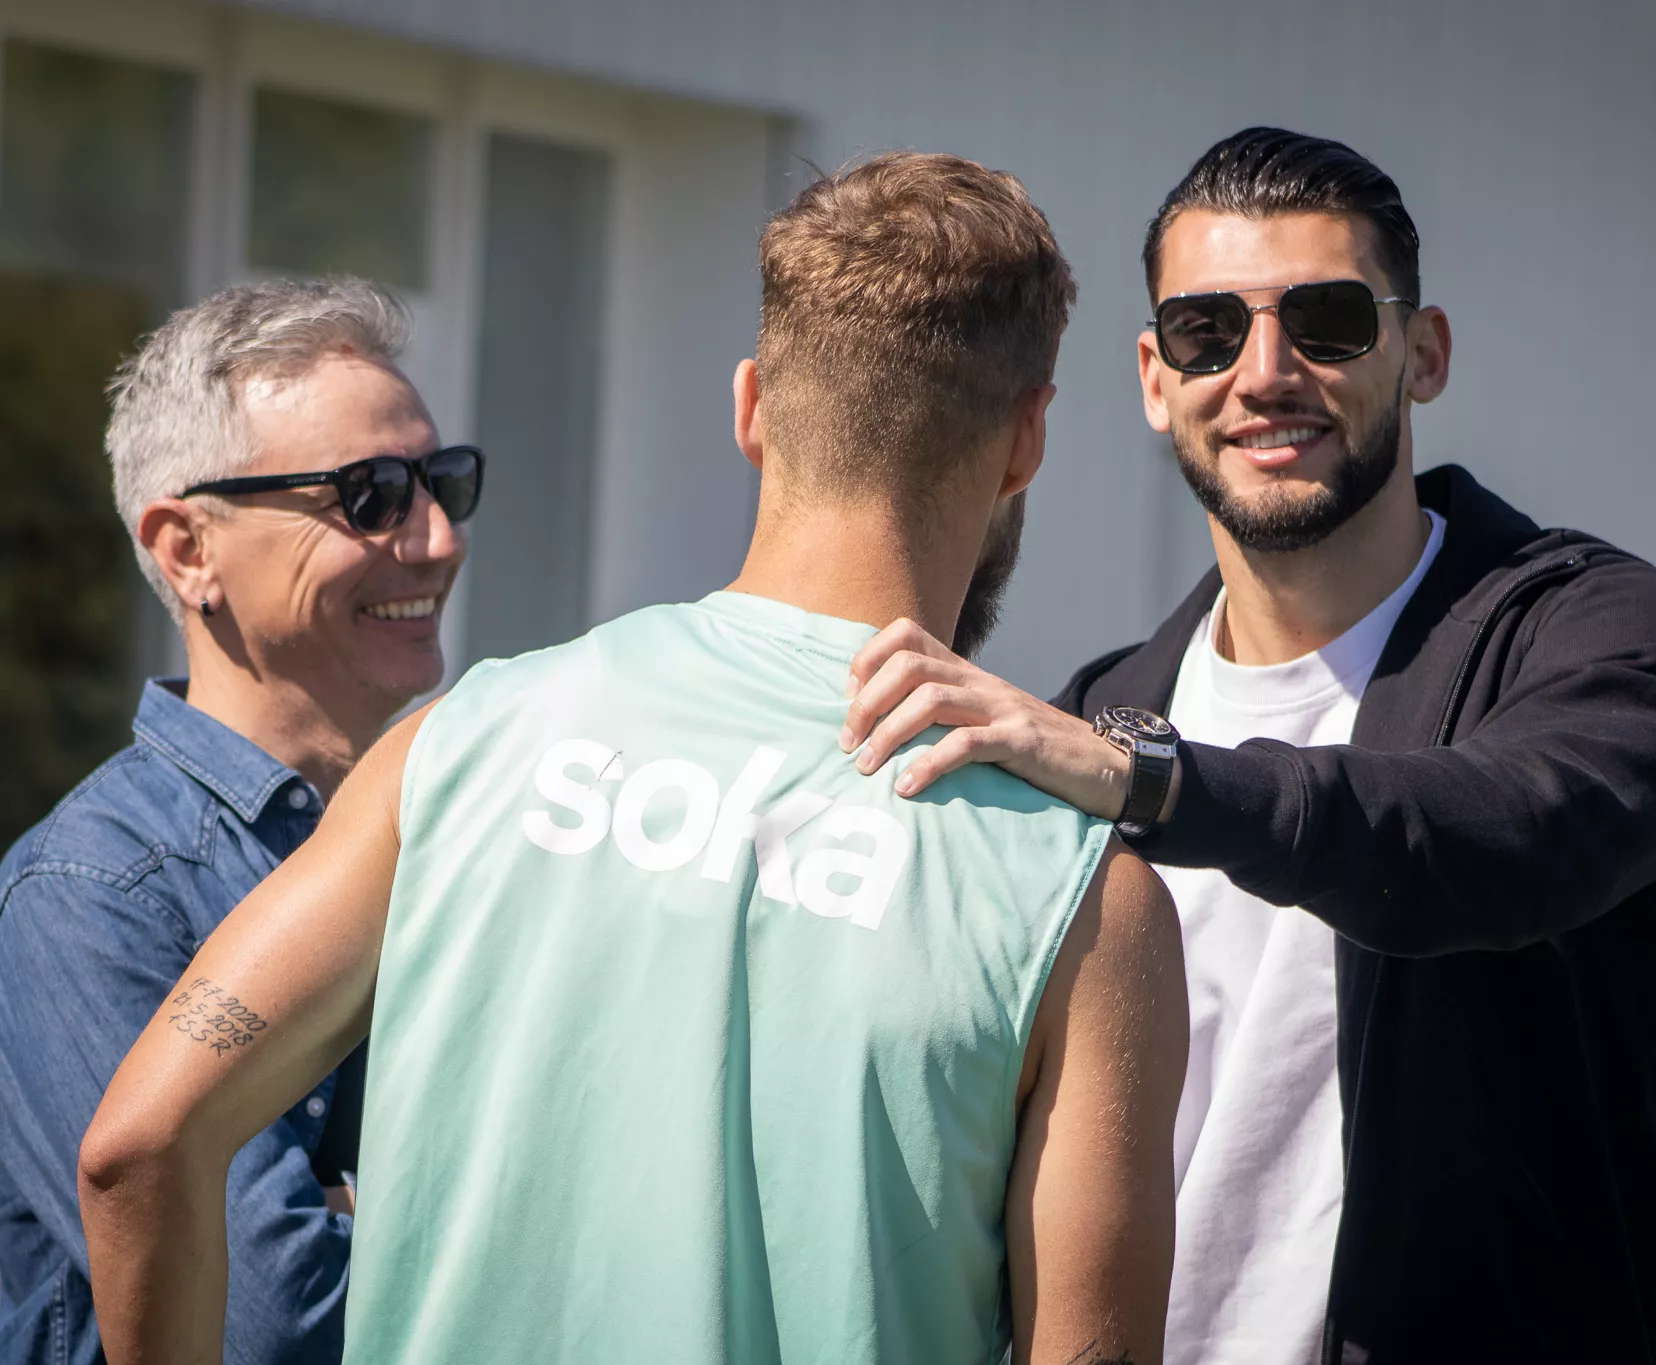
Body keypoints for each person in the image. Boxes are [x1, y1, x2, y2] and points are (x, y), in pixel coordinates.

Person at [78, 153, 1187, 1365]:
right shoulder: (1083, 907)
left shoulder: (465, 743)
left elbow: (140, 1145)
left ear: (753, 407)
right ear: (1026, 441)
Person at [839, 127, 1656, 1364]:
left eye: (1325, 322)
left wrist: (1148, 781)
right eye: (1209, 333)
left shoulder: (1605, 638)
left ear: (1419, 355)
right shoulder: (1108, 701)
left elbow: (1495, 841)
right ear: (1155, 381)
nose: (1264, 373)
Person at [0, 278, 475, 1363]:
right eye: (373, 494)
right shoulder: (87, 895)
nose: (439, 538)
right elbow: (268, 1326)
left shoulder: (469, 834)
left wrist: (359, 1212)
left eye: (443, 482)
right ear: (185, 550)